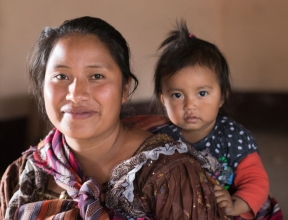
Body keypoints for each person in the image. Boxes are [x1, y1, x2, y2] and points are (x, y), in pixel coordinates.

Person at [0, 16, 227, 220]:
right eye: (61, 76)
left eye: (96, 76)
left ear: (125, 89)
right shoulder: (24, 174)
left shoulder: (169, 175)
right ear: (42, 88)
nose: (76, 94)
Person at [147, 20, 283, 219]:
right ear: (162, 98)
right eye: (177, 95)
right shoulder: (161, 139)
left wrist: (235, 205)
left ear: (221, 96)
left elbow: (256, 181)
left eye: (202, 93)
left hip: (232, 208)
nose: (190, 105)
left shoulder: (233, 136)